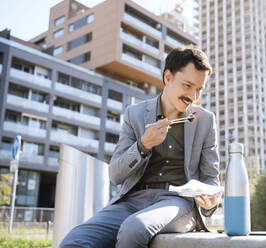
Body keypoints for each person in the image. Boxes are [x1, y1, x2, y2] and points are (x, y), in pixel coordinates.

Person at [60, 46, 220, 248]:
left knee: (133, 229)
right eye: (187, 85)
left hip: (178, 203)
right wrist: (143, 145)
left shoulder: (205, 120)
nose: (193, 96)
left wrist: (210, 200)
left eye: (199, 89)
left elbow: (211, 178)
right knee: (74, 240)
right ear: (168, 77)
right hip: (132, 201)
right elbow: (115, 174)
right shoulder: (134, 114)